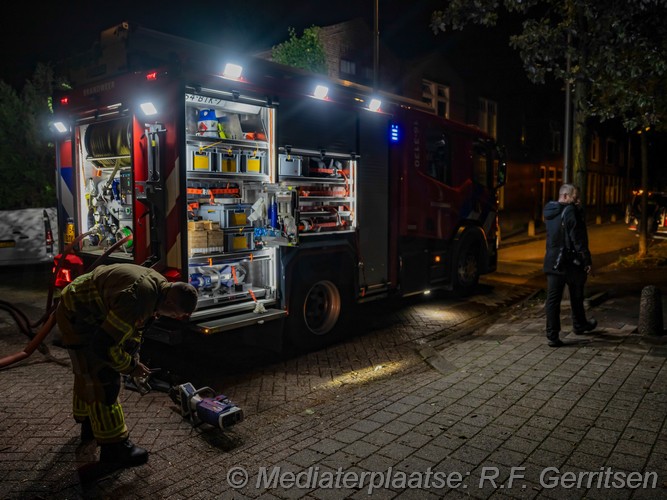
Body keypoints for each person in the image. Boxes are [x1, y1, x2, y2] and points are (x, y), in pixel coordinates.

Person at [56, 263, 198, 467]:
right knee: (104, 380)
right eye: (175, 314)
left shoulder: (158, 287)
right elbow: (103, 346)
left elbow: (133, 329)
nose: (175, 318)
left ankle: (90, 426)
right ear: (168, 301)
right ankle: (115, 449)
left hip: (84, 308)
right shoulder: (140, 298)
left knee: (87, 374)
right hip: (78, 316)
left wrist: (134, 358)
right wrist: (131, 367)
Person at [542, 184, 597, 347]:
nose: (577, 200)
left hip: (553, 261)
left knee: (552, 300)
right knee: (577, 293)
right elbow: (577, 238)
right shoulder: (571, 211)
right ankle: (579, 324)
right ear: (565, 196)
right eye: (575, 197)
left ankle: (552, 336)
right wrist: (587, 261)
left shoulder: (549, 210)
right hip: (570, 262)